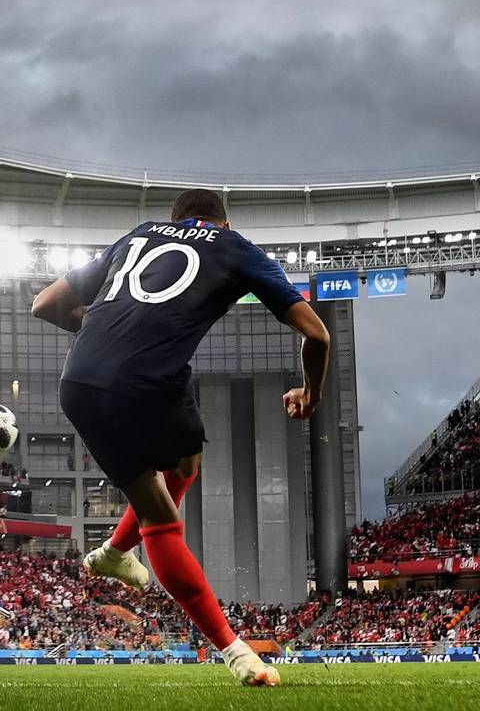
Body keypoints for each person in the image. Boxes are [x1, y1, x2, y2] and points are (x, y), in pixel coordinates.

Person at [32, 188, 330, 687]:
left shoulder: (135, 236)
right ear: (223, 222)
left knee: (179, 471)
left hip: (81, 384)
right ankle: (238, 654)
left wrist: (100, 337)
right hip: (149, 382)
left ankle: (112, 554)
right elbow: (317, 335)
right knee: (166, 514)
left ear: (175, 218)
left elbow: (44, 303)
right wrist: (311, 393)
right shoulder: (235, 248)